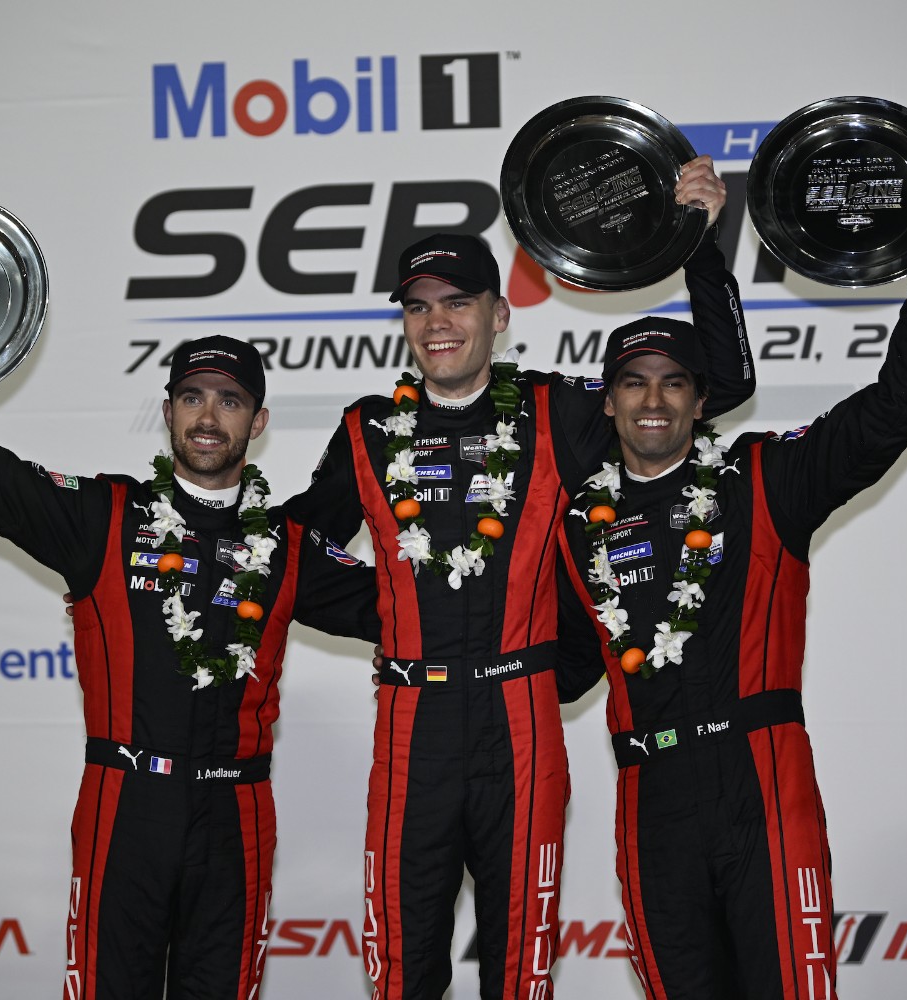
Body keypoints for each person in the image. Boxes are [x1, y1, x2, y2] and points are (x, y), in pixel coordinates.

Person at [285, 155, 757, 999]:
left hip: (522, 722)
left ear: (499, 315)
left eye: (458, 303)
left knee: (521, 970)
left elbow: (720, 386)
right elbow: (286, 558)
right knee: (402, 966)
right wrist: (391, 610)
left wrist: (701, 246)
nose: (438, 323)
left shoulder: (560, 409)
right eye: (420, 307)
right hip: (411, 723)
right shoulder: (367, 429)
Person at [0, 285, 380, 1000]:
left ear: (259, 420)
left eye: (230, 400)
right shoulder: (105, 518)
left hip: (236, 816)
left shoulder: (285, 548)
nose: (208, 416)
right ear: (168, 411)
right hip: (127, 807)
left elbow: (410, 609)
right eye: (192, 397)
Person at [553, 180, 907, 999]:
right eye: (635, 383)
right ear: (607, 403)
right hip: (649, 797)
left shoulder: (763, 478)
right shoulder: (579, 524)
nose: (653, 399)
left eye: (674, 381)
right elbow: (568, 666)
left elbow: (894, 411)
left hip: (761, 780)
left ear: (700, 399)